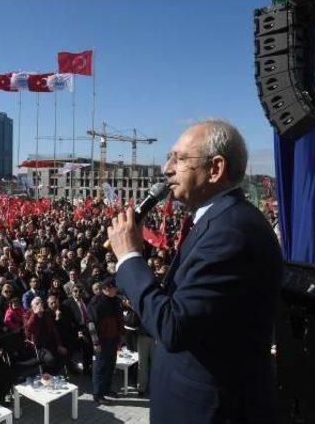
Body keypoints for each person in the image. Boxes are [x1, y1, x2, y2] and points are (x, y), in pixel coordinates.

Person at [107, 120, 282, 423]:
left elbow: (173, 326)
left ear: (215, 169)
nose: (167, 168)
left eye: (180, 158)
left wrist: (129, 258)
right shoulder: (223, 220)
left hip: (209, 409)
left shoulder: (230, 233)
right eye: (169, 157)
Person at [87, 278, 123, 404]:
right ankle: (98, 394)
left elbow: (119, 320)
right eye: (114, 288)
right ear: (106, 288)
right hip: (102, 341)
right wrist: (95, 343)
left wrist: (120, 339)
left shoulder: (115, 300)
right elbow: (91, 324)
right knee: (100, 367)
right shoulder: (96, 302)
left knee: (111, 365)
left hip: (113, 339)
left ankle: (107, 389)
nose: (116, 290)